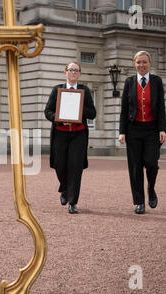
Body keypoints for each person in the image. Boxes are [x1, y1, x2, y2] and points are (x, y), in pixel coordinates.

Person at [118, 51, 166, 214]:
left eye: (144, 62)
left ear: (149, 63)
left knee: (152, 163)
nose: (141, 65)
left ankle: (151, 189)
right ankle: (139, 202)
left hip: (152, 130)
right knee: (135, 167)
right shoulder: (129, 82)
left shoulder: (157, 81)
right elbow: (124, 109)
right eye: (138, 62)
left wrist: (162, 129)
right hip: (133, 130)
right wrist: (122, 131)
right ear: (135, 64)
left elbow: (161, 107)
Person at [44, 61, 96, 214]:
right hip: (60, 133)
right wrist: (59, 118)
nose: (73, 72)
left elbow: (92, 113)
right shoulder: (57, 90)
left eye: (76, 70)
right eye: (70, 70)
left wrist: (78, 108)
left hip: (78, 135)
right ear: (65, 72)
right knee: (60, 165)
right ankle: (65, 188)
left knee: (75, 167)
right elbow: (48, 112)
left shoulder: (84, 90)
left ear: (79, 74)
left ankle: (72, 202)